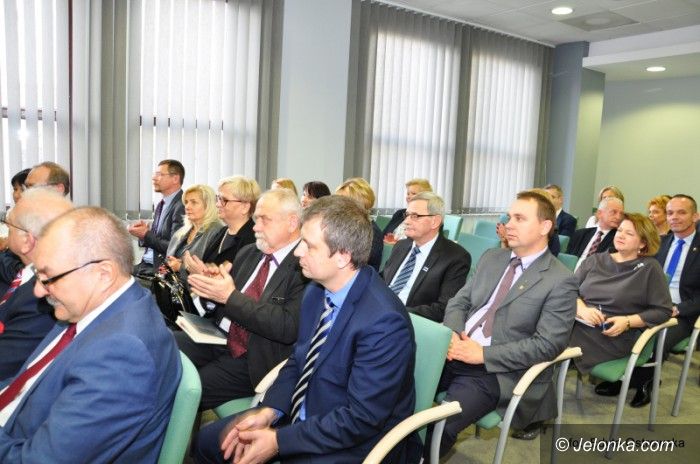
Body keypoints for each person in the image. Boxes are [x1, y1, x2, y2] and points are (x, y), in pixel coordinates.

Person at [193, 195, 418, 464]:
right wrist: (271, 410)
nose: (298, 252)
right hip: (307, 413)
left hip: (352, 440)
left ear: (343, 256)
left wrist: (279, 441)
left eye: (309, 245)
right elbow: (299, 360)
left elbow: (361, 419)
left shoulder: (383, 323)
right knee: (208, 443)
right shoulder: (315, 291)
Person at [0, 206, 181, 462]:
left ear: (103, 274)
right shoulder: (95, 307)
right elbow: (25, 382)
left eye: (48, 277)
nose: (39, 291)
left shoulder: (122, 355)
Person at [436, 190, 577, 456]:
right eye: (509, 217)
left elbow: (548, 344)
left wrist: (483, 354)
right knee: (393, 395)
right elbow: (458, 302)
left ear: (545, 227)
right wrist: (453, 333)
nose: (508, 224)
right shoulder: (492, 257)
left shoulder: (560, 280)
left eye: (519, 218)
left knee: (441, 426)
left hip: (496, 370)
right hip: (454, 348)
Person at [177, 189, 307, 410]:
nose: (255, 227)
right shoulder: (249, 253)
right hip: (219, 338)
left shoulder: (303, 266)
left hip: (254, 358)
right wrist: (211, 292)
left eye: (264, 219)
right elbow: (225, 305)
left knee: (184, 388)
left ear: (292, 222)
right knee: (161, 346)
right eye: (256, 219)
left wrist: (229, 296)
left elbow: (286, 326)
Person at [609, 194, 700, 407]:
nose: (674, 217)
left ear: (695, 216)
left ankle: (644, 382)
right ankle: (623, 376)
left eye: (681, 212)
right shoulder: (661, 242)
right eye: (670, 213)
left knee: (655, 338)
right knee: (618, 323)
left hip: (681, 312)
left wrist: (680, 309)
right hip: (651, 303)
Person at [569, 213, 672, 377]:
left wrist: (628, 321)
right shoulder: (595, 260)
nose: (621, 235)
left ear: (643, 243)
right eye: (620, 230)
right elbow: (568, 290)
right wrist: (581, 309)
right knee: (544, 337)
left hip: (610, 335)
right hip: (577, 322)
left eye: (629, 233)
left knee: (549, 347)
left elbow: (663, 311)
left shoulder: (650, 268)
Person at [0, 189, 72, 380]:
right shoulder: (30, 273)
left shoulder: (43, 297)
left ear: (27, 240)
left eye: (9, 225)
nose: (6, 230)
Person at [382, 192, 471, 322]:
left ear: (435, 221)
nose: (406, 221)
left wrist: (397, 311)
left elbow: (443, 308)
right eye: (407, 215)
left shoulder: (456, 258)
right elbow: (383, 277)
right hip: (380, 309)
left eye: (415, 216)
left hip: (408, 320)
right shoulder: (401, 245)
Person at [183, 176, 259, 275]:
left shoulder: (253, 240)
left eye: (224, 200)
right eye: (218, 198)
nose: (217, 204)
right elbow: (208, 266)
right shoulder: (222, 231)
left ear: (245, 207)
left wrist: (202, 273)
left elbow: (239, 281)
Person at [129, 159, 186, 279]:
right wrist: (142, 235)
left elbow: (173, 247)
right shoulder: (162, 204)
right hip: (146, 264)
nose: (154, 178)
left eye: (159, 174)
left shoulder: (182, 206)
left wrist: (146, 234)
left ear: (175, 178)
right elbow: (157, 238)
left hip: (158, 270)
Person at [165, 184, 224, 275]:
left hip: (195, 284)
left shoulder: (217, 231)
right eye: (186, 202)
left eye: (194, 202)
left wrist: (180, 267)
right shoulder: (181, 232)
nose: (187, 207)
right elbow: (168, 260)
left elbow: (211, 272)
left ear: (208, 205)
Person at [335, 177, 383, 271]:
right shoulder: (346, 226)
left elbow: (354, 264)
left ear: (358, 204)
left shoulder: (372, 233)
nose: (337, 205)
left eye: (342, 201)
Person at [567, 196, 624, 271]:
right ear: (599, 213)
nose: (618, 217)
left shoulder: (618, 240)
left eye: (621, 214)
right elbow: (567, 260)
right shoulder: (580, 234)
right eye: (613, 212)